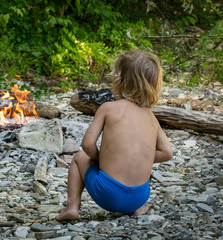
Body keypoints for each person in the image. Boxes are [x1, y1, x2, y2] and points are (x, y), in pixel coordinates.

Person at [56, 50, 173, 221]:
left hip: (108, 193)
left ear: (117, 79)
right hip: (139, 196)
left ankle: (72, 207)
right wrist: (142, 157)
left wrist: (104, 159)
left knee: (79, 157)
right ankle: (134, 209)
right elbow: (167, 153)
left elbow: (87, 145)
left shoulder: (108, 108)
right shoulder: (151, 116)